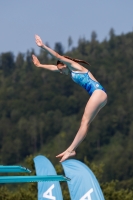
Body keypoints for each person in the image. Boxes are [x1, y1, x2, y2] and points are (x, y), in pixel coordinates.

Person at [32, 35, 107, 162]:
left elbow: (57, 56)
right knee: (85, 123)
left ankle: (71, 150)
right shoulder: (70, 71)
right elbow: (54, 67)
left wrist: (43, 47)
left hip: (98, 92)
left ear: (66, 65)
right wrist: (40, 65)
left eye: (62, 70)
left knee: (84, 121)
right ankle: (71, 149)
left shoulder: (75, 66)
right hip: (100, 96)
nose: (60, 72)